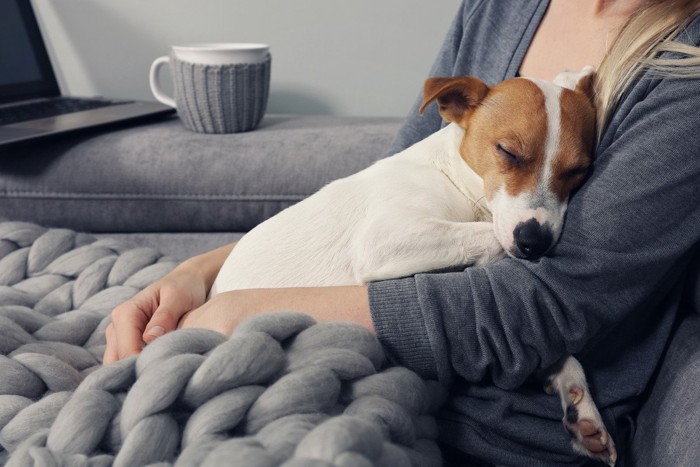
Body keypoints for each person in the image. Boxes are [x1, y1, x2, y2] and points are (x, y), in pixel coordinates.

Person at [105, 0, 700, 465]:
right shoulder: (502, 8)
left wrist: (245, 311)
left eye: (573, 173)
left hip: (482, 429)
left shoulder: (684, 67)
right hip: (327, 364)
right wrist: (199, 274)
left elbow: (540, 310)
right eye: (511, 157)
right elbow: (384, 190)